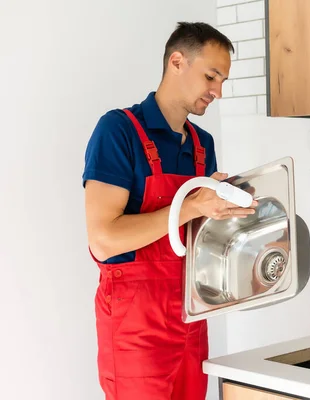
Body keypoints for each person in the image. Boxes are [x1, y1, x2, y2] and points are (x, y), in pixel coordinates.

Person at [82, 22, 257, 400]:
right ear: (177, 61)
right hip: (135, 325)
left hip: (191, 318)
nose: (218, 91)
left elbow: (196, 240)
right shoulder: (118, 131)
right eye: (211, 76)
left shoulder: (202, 144)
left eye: (223, 80)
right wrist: (189, 206)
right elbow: (103, 240)